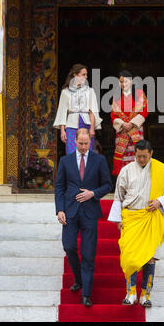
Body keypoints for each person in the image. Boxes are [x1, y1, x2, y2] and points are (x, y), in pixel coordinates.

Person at [108, 139, 164, 307]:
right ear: (135, 154)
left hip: (151, 217)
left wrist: (160, 202)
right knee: (130, 258)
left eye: (144, 156)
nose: (141, 160)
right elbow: (118, 195)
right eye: (138, 156)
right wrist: (118, 220)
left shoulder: (161, 169)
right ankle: (131, 293)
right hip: (131, 218)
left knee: (150, 258)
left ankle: (145, 295)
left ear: (151, 153)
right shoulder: (126, 171)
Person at [55, 128, 112, 307]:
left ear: (91, 143)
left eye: (86, 144)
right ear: (75, 142)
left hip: (89, 212)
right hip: (70, 211)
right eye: (80, 143)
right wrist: (60, 210)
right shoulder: (65, 161)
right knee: (69, 246)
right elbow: (59, 188)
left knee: (88, 254)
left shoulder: (99, 160)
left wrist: (92, 193)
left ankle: (86, 293)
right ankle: (78, 279)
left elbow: (108, 185)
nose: (83, 147)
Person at [53, 64, 102, 154]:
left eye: (86, 75)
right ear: (75, 75)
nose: (86, 77)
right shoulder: (65, 92)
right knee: (71, 153)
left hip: (86, 125)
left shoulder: (90, 91)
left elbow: (92, 111)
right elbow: (62, 112)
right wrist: (62, 131)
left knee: (86, 153)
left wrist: (92, 128)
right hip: (71, 126)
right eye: (83, 74)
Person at [111, 70, 148, 176]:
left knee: (138, 154)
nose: (123, 84)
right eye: (121, 82)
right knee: (123, 158)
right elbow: (113, 115)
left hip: (136, 129)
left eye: (126, 82)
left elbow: (144, 111)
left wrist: (131, 124)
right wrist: (123, 124)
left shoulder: (139, 93)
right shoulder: (116, 95)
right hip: (122, 130)